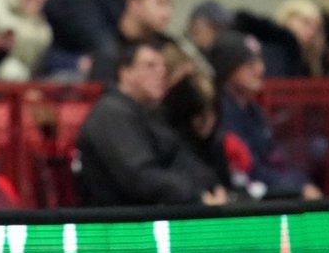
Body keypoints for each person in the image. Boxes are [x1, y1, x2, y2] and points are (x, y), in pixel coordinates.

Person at [76, 41, 226, 206]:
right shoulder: (110, 114)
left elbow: (182, 159)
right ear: (125, 72)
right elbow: (139, 177)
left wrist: (212, 185)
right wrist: (197, 195)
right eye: (150, 66)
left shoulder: (150, 114)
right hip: (122, 223)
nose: (161, 73)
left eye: (163, 67)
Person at [211, 31, 323, 200]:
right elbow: (249, 169)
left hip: (271, 188)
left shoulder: (253, 110)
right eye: (249, 63)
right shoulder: (220, 113)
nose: (260, 69)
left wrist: (301, 182)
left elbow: (275, 157)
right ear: (229, 68)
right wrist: (297, 188)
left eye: (260, 61)